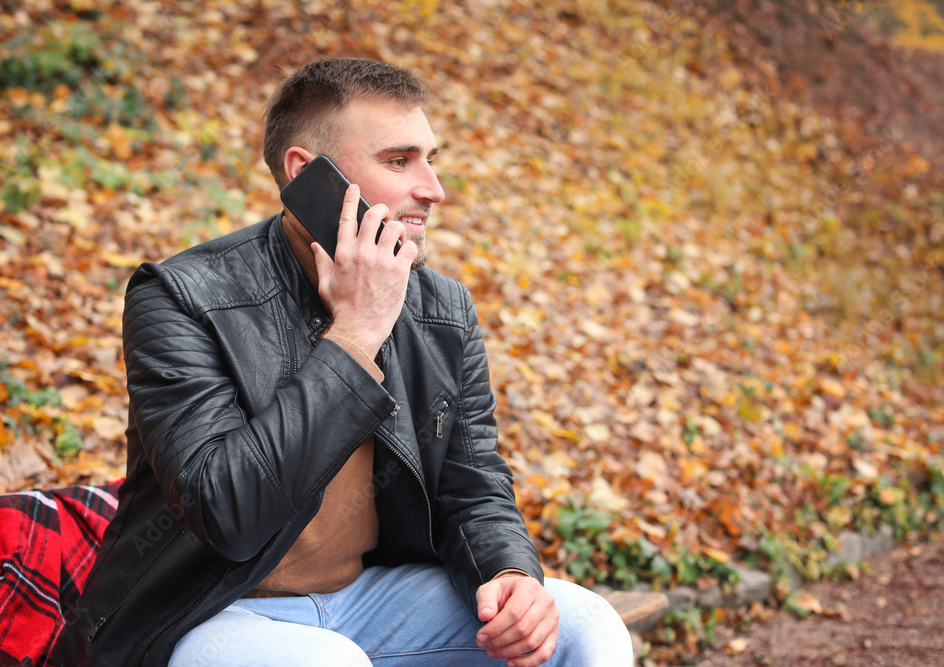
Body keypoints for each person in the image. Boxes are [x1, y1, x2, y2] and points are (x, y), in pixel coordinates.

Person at [53, 57, 632, 667]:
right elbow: (227, 513)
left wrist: (507, 569)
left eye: (432, 159)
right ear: (307, 174)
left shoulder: (441, 308)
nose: (433, 188)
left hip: (367, 602)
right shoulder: (182, 298)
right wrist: (357, 333)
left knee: (585, 625)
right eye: (398, 160)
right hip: (209, 612)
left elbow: (472, 482)